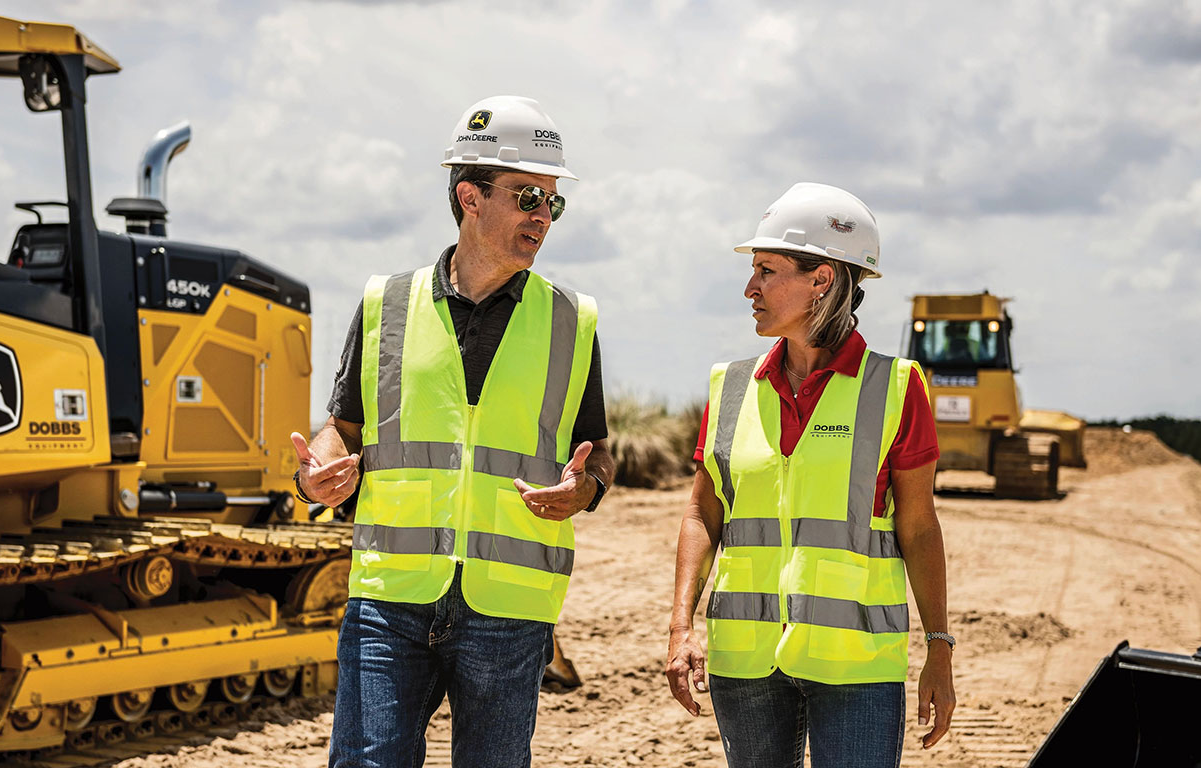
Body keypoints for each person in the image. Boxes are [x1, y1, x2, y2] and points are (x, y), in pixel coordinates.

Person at [293, 95, 615, 768]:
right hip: (391, 599)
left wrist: (583, 489)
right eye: (528, 197)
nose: (542, 218)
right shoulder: (387, 303)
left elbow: (598, 452)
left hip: (509, 607)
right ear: (470, 196)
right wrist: (317, 475)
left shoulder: (571, 321)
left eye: (553, 203)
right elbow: (341, 427)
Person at [665, 183, 955, 767]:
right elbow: (703, 512)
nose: (750, 289)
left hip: (856, 667)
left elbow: (919, 527)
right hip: (744, 663)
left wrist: (939, 650)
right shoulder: (730, 387)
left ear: (822, 279)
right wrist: (680, 628)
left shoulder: (896, 388)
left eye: (767, 271)